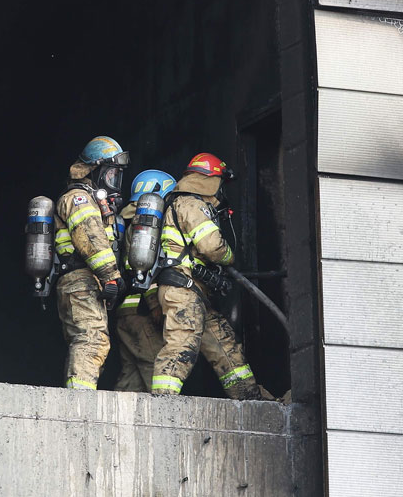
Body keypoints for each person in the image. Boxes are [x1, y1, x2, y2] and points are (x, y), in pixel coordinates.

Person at [152, 152, 265, 399]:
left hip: (196, 292)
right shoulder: (191, 205)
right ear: (210, 182)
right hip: (182, 290)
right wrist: (230, 258)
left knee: (224, 344)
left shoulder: (183, 204)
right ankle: (162, 401)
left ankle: (248, 399)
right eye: (220, 184)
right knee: (182, 344)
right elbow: (212, 247)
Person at [53, 136, 129, 390]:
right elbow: (91, 239)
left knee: (95, 342)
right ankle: (79, 403)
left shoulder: (93, 200)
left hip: (87, 282)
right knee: (91, 340)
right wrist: (111, 275)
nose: (115, 183)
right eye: (111, 175)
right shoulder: (78, 198)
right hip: (79, 281)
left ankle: (82, 393)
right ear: (94, 170)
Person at [114, 169, 175, 392]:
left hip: (126, 313)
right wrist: (155, 306)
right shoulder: (145, 230)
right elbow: (143, 272)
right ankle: (166, 419)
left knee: (131, 379)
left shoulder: (130, 225)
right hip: (142, 313)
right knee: (156, 370)